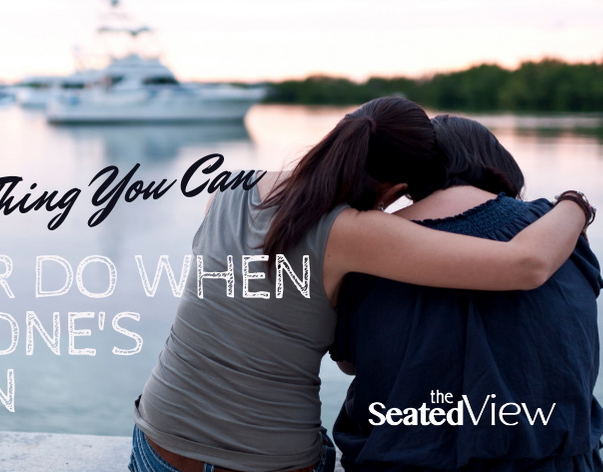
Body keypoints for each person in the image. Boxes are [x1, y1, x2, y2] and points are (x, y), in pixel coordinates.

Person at [130, 98, 595, 472]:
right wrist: (575, 204)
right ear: (398, 187)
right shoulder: (357, 231)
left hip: (159, 435)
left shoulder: (228, 191)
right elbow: (526, 264)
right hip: (264, 458)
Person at [330, 114, 603, 471]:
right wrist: (574, 203)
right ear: (496, 160)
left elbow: (350, 362)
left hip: (403, 456)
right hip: (553, 458)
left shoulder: (366, 243)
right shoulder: (556, 231)